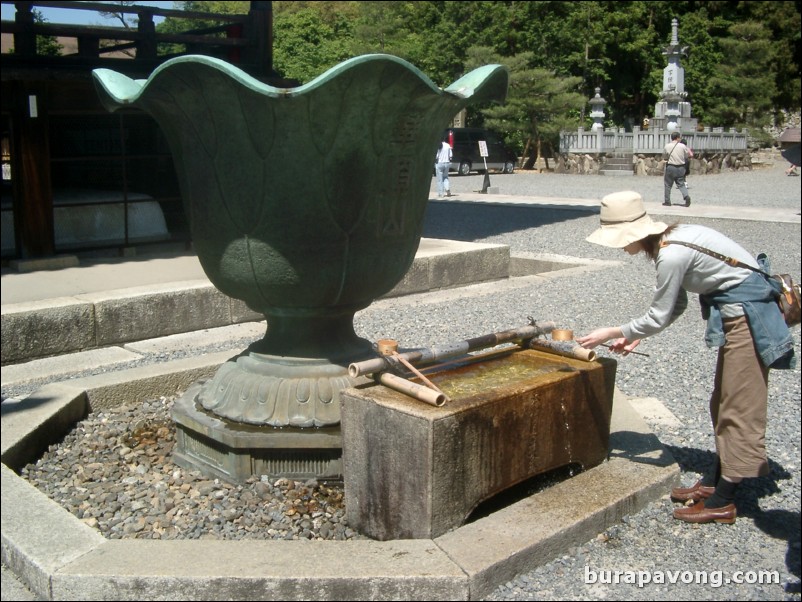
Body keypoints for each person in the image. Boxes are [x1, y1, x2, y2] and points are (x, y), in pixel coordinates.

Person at [576, 191, 795, 525]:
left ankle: (724, 500)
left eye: (620, 239)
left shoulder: (671, 255)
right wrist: (634, 336)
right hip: (738, 317)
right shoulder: (673, 239)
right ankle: (716, 481)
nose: (621, 247)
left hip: (750, 320)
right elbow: (676, 306)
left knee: (738, 405)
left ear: (635, 233)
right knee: (722, 402)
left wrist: (611, 331)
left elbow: (660, 314)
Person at [662, 132, 692, 207]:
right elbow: (686, 156)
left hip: (671, 167)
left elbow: (664, 156)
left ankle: (667, 201)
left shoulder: (667, 146)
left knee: (668, 184)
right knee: (681, 184)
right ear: (677, 138)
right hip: (681, 167)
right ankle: (686, 196)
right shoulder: (683, 146)